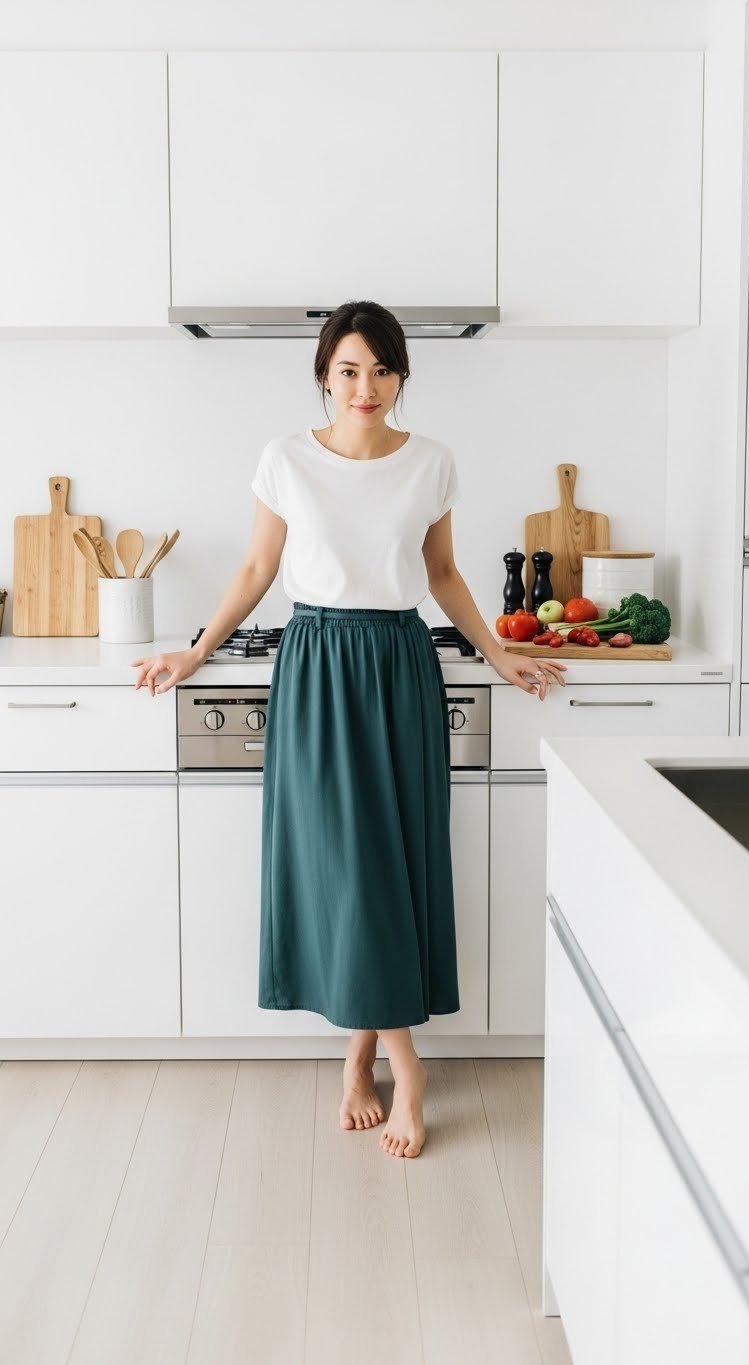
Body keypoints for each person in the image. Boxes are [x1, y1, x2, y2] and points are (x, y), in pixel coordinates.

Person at [131, 299, 568, 1159]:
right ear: (324, 377)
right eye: (347, 370)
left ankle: (361, 1053)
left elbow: (441, 573)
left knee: (393, 859)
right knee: (343, 864)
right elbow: (259, 567)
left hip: (400, 664)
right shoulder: (285, 458)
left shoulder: (432, 462)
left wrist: (495, 655)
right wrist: (194, 650)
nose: (364, 387)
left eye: (380, 370)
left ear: (401, 375)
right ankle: (407, 1063)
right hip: (318, 663)